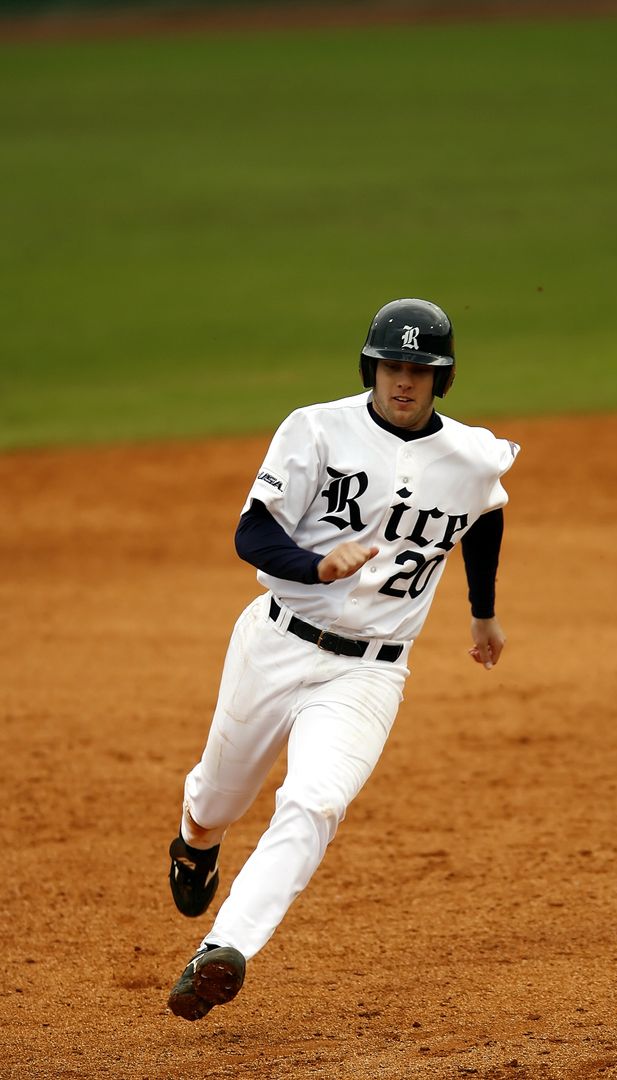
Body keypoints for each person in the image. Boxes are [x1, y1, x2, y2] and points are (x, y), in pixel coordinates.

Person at [166, 297, 520, 1021]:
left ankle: (225, 947)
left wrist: (481, 610)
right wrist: (316, 567)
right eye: (392, 366)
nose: (403, 382)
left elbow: (486, 511)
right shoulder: (316, 430)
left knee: (315, 800)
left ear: (441, 381)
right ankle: (196, 842)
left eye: (420, 371)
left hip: (370, 672)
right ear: (372, 368)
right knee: (216, 803)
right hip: (275, 641)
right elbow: (251, 535)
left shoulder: (473, 456)